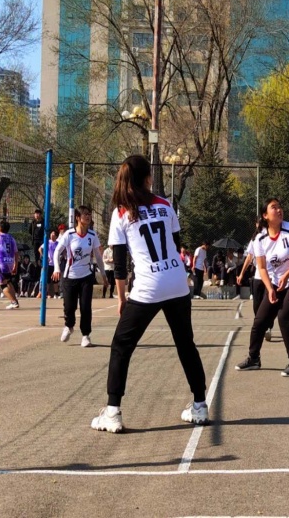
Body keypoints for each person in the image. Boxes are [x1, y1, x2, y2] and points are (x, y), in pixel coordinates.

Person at [91, 155, 209, 433]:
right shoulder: (165, 205)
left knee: (121, 346)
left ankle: (112, 412)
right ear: (147, 178)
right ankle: (200, 405)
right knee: (185, 344)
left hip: (148, 285)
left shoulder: (121, 212)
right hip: (177, 282)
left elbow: (120, 263)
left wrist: (122, 298)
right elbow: (175, 245)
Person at [235, 198, 289, 377]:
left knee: (284, 318)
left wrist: (286, 275)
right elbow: (261, 268)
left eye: (279, 207)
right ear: (265, 215)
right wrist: (269, 289)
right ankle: (254, 358)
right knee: (260, 321)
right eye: (273, 207)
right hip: (275, 283)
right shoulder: (260, 238)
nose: (279, 210)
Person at [55, 205, 103, 347]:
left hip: (86, 276)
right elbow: (57, 252)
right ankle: (69, 326)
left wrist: (104, 274)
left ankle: (85, 335)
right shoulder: (69, 235)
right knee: (69, 307)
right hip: (70, 276)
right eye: (85, 214)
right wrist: (56, 268)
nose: (88, 216)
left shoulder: (92, 235)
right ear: (77, 217)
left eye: (89, 214)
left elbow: (98, 256)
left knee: (86, 307)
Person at [0, 221, 20, 310]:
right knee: (7, 281)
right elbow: (16, 253)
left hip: (1, 264)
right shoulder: (12, 239)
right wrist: (15, 265)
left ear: (0, 228)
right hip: (9, 263)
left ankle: (13, 302)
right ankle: (14, 300)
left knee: (3, 285)